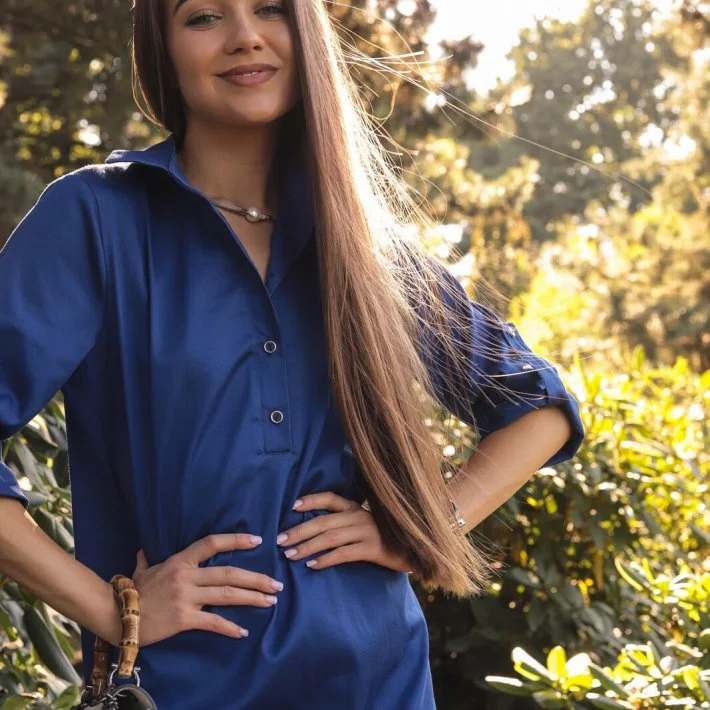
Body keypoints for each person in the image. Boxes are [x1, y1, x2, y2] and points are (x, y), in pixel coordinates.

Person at [0, 0, 585, 707]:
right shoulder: (96, 219)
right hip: (181, 689)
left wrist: (425, 527)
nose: (246, 37)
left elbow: (539, 408)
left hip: (381, 683)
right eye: (204, 16)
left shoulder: (361, 243)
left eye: (271, 9)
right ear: (163, 50)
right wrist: (111, 609)